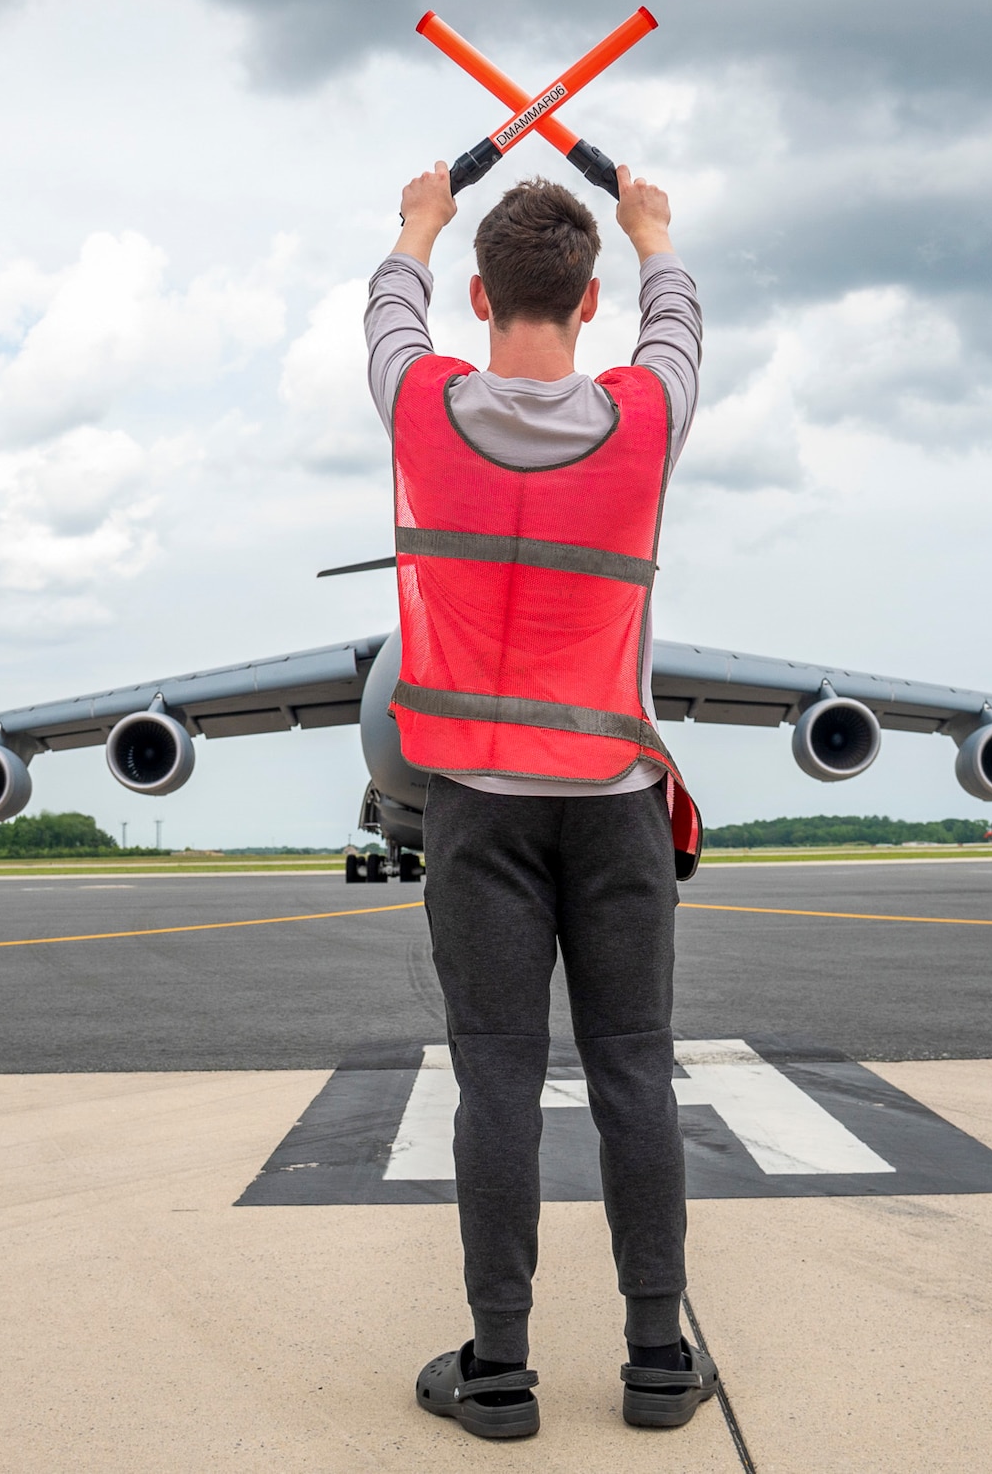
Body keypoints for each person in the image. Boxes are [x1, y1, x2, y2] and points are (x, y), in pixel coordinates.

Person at [365, 161, 716, 1439]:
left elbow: (387, 308)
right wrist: (650, 229)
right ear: (586, 305)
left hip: (476, 812)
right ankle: (658, 1362)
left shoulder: (418, 405)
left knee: (496, 1080)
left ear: (477, 294)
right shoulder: (643, 416)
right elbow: (675, 315)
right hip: (615, 797)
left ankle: (500, 1373)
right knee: (635, 1071)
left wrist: (418, 218)